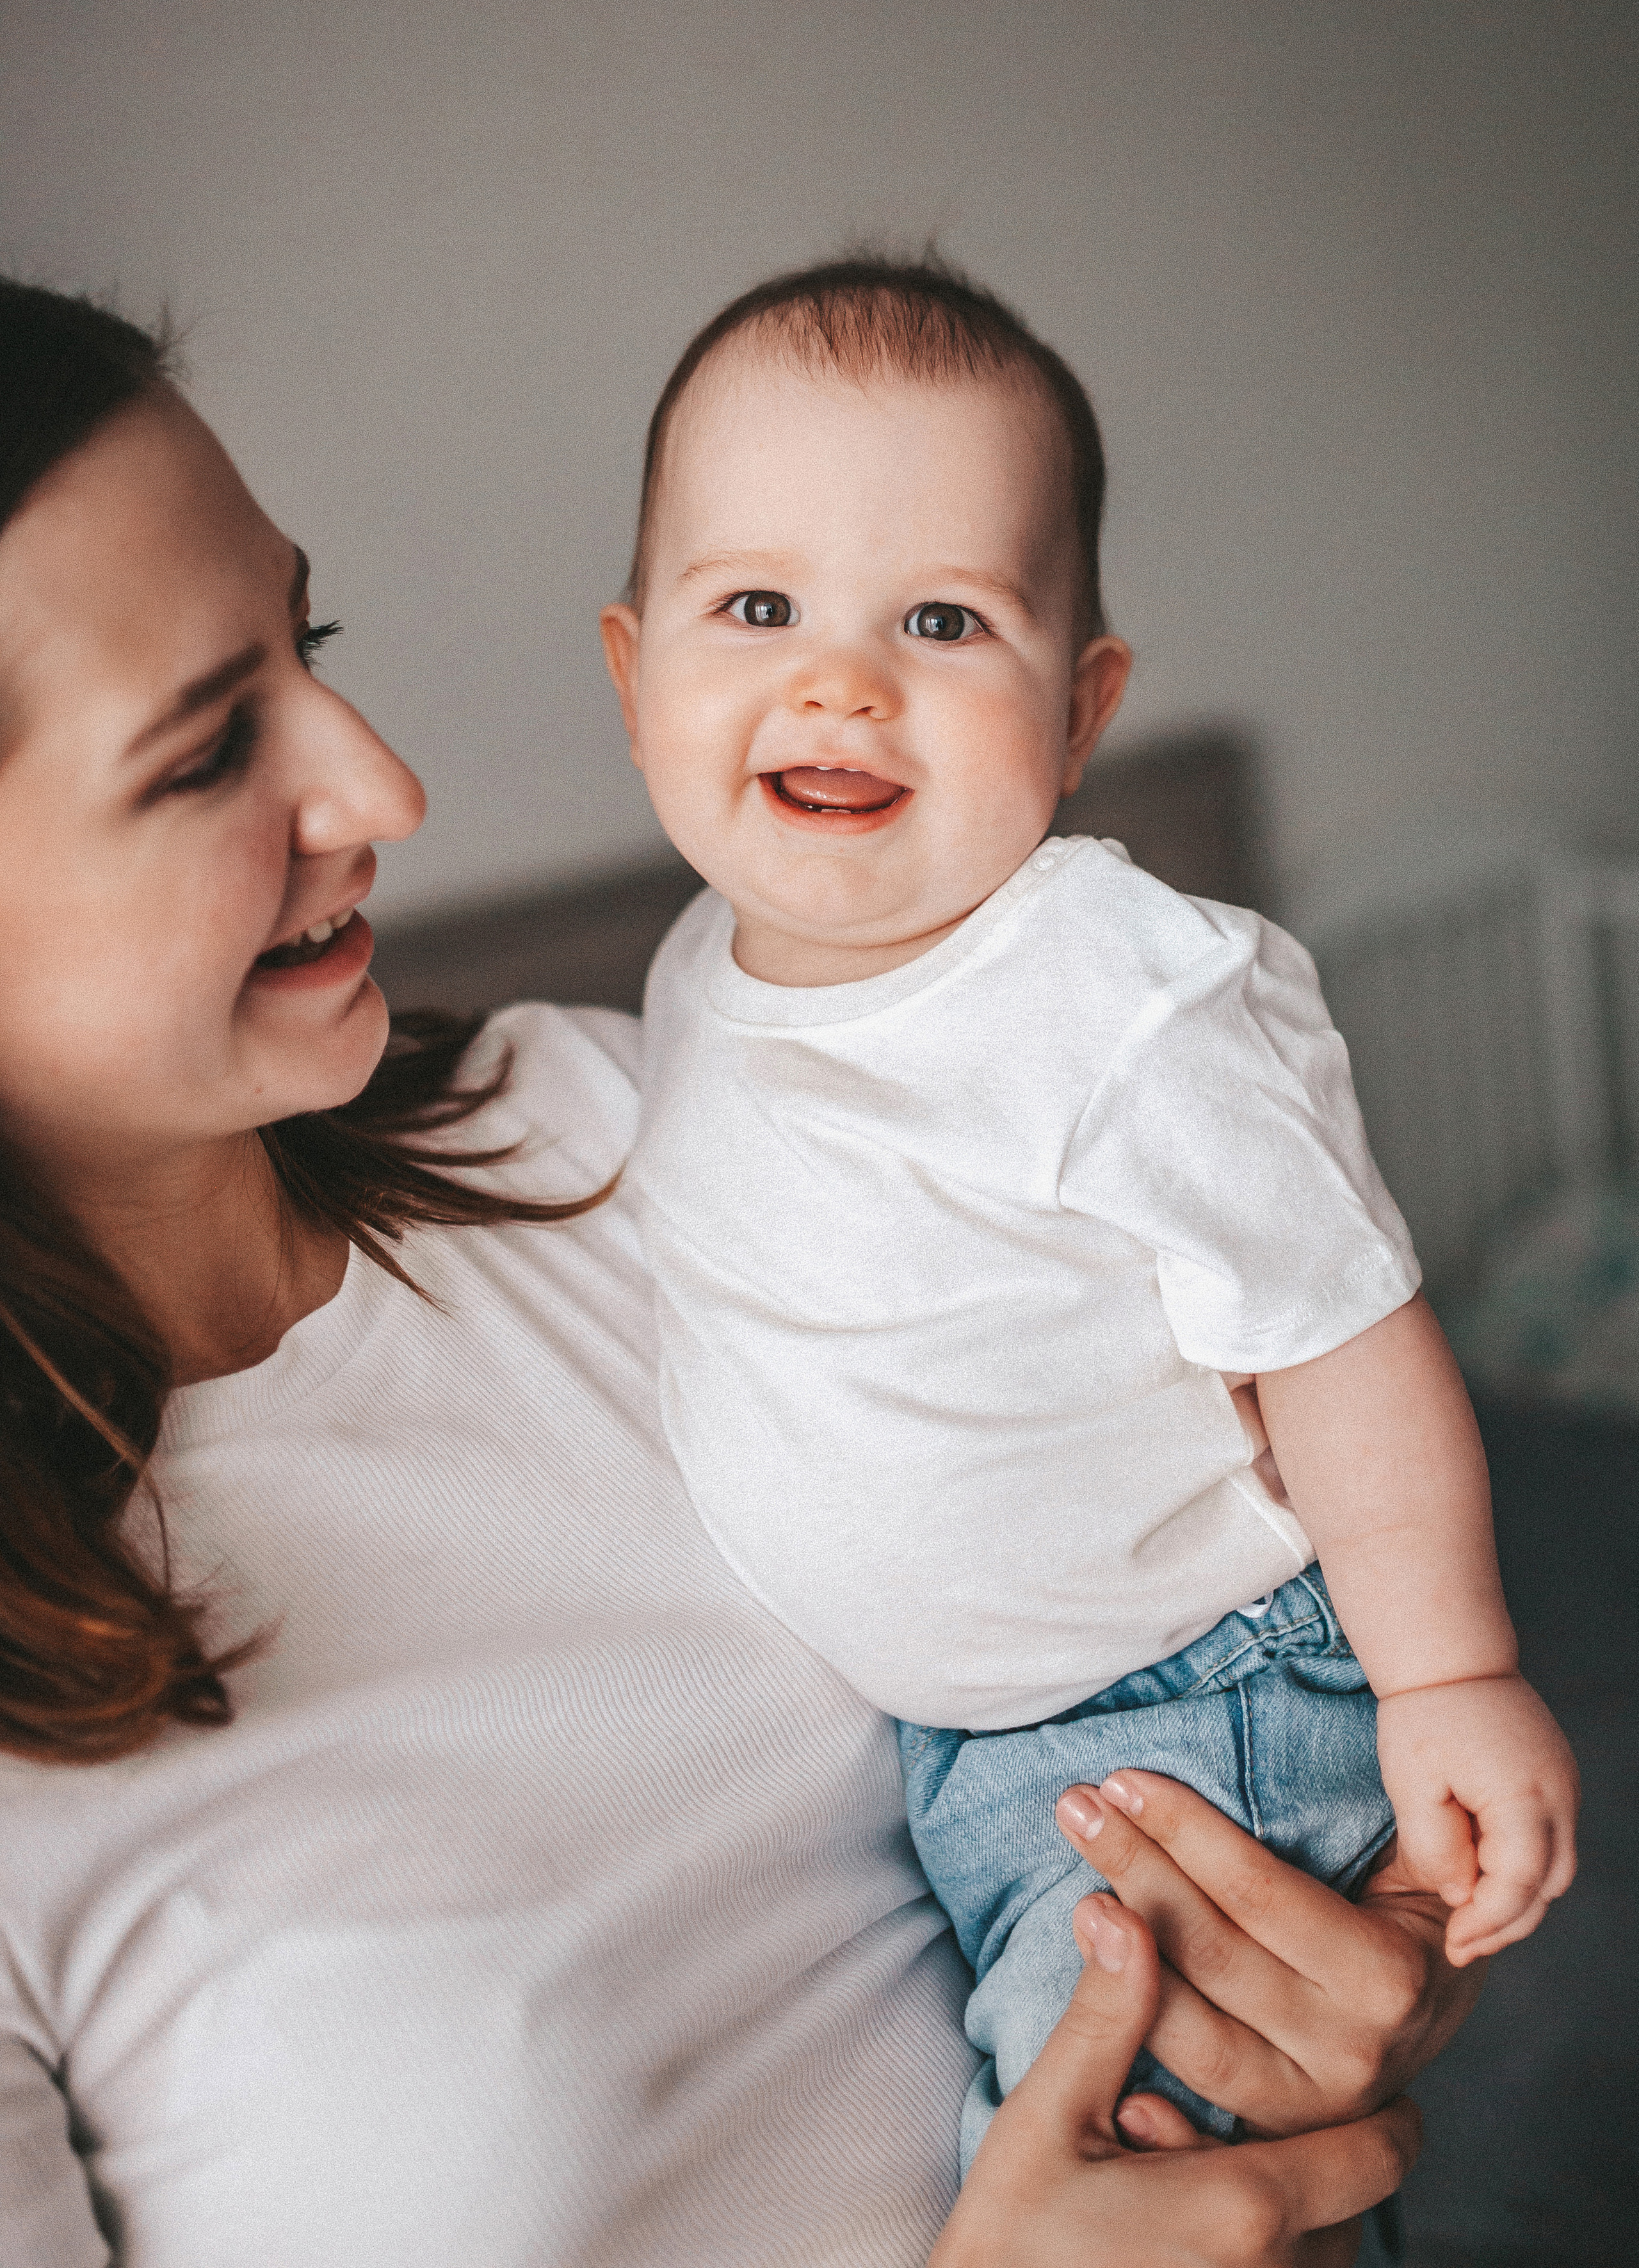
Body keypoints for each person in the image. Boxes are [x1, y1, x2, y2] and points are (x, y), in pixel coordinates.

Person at [0, 276, 1459, 2267]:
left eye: (306, 643)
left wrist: (1346, 1958)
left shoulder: (638, 1131)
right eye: (200, 753)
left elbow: (1268, 1593)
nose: (382, 790)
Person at [600, 255, 1579, 2168]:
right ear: (639, 676)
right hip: (957, 1758)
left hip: (1183, 1707)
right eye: (758, 606)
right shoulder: (693, 975)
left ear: (1082, 702)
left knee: (1117, 2160)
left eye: (944, 618)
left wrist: (1448, 1672)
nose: (838, 678)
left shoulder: (1117, 995)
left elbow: (1342, 1333)